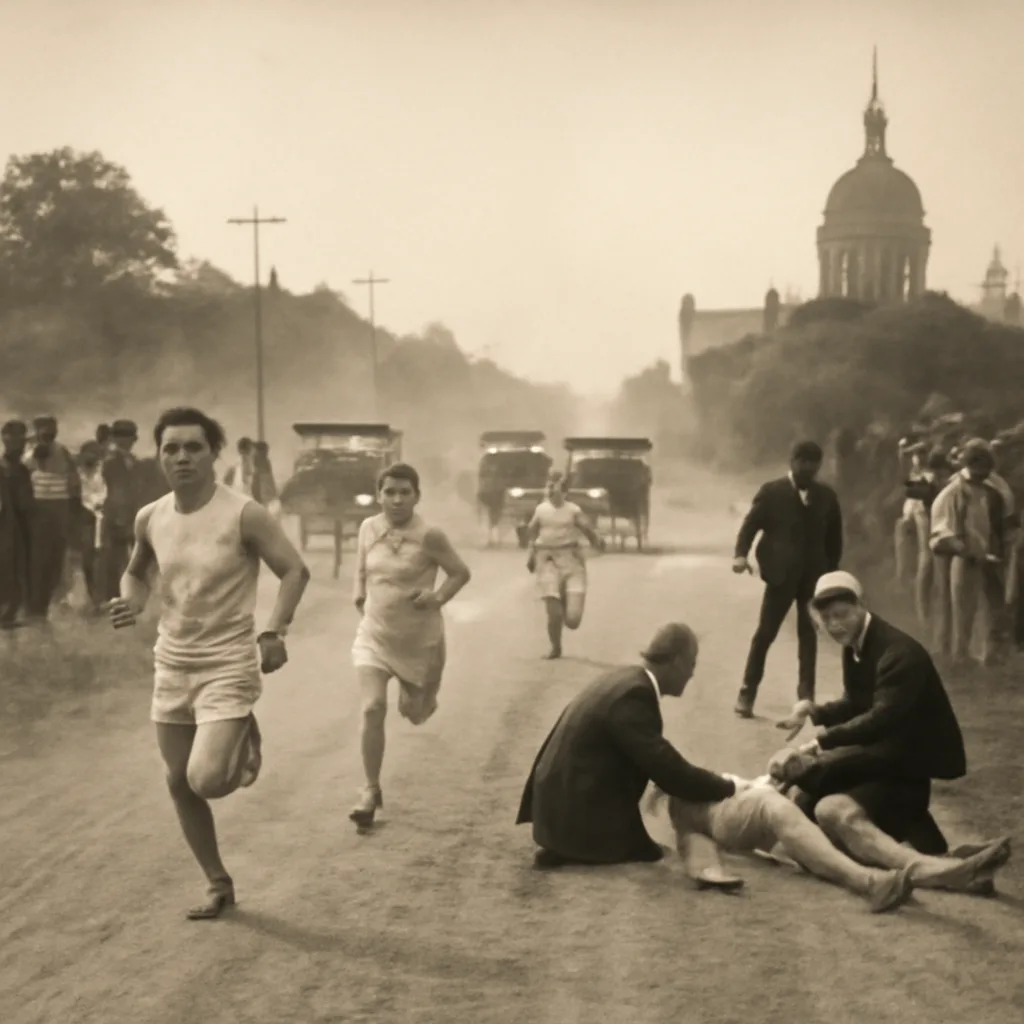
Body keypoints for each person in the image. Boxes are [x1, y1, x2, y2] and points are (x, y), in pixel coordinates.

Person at [108, 406, 310, 920]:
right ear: (159, 455)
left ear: (214, 454)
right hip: (172, 662)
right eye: (170, 448)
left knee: (208, 780)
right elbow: (136, 572)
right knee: (177, 781)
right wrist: (131, 599)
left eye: (193, 447)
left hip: (227, 663)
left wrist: (273, 630)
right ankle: (218, 882)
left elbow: (293, 570)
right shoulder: (151, 516)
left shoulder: (244, 514)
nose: (181, 457)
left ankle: (242, 731)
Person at [775, 571, 1012, 894]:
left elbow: (880, 718)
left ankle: (939, 872)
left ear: (862, 605)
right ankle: (938, 859)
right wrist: (815, 711)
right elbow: (857, 701)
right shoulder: (857, 644)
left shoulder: (899, 652)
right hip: (883, 760)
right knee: (801, 803)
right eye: (827, 618)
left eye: (842, 614)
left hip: (906, 768)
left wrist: (819, 743)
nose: (835, 625)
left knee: (830, 810)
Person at [647, 749, 1009, 912]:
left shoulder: (703, 790)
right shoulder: (683, 805)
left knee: (834, 816)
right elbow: (692, 843)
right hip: (756, 811)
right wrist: (708, 871)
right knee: (777, 807)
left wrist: (779, 777)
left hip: (764, 814)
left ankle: (946, 870)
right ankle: (873, 883)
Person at [516, 623, 740, 868]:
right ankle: (575, 845)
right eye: (692, 663)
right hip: (571, 818)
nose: (692, 674)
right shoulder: (635, 696)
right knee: (655, 856)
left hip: (553, 811)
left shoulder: (626, 678)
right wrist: (730, 787)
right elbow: (670, 772)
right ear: (676, 661)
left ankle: (565, 843)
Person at [350, 462, 472, 826]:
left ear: (417, 496)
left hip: (420, 640)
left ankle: (424, 694)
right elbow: (361, 571)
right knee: (372, 708)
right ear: (379, 494)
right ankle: (369, 789)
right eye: (389, 491)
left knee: (416, 712)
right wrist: (360, 598)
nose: (397, 499)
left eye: (405, 492)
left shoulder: (430, 535)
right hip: (374, 636)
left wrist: (436, 597)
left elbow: (460, 573)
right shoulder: (367, 528)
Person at [732, 439, 843, 718]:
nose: (807, 467)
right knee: (765, 634)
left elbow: (835, 541)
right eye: (802, 460)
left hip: (813, 580)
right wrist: (740, 555)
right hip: (780, 577)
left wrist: (830, 575)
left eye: (813, 462)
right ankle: (747, 692)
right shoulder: (772, 492)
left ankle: (806, 698)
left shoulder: (827, 497)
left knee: (809, 636)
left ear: (819, 466)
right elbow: (750, 525)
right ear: (791, 462)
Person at [929, 438, 1008, 666]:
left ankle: (987, 655)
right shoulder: (953, 493)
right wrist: (963, 550)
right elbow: (941, 532)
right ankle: (960, 656)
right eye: (980, 466)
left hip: (989, 558)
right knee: (962, 609)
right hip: (964, 559)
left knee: (989, 609)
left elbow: (998, 525)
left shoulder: (990, 491)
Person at [525, 469, 605, 659]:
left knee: (572, 620)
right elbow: (532, 532)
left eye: (557, 486)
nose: (552, 490)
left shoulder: (573, 510)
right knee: (554, 612)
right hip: (547, 560)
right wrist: (531, 554)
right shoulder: (541, 510)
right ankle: (555, 647)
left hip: (571, 561)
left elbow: (586, 528)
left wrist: (596, 540)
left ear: (565, 491)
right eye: (550, 486)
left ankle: (567, 598)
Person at [23, 415, 81, 620]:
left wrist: (72, 508)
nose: (48, 433)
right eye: (44, 429)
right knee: (36, 560)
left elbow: (73, 481)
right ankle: (34, 608)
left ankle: (44, 605)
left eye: (51, 429)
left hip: (59, 510)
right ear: (37, 430)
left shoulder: (63, 452)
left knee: (55, 560)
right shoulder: (27, 452)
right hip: (37, 511)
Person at [101, 419, 142, 602]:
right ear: (114, 438)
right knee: (114, 557)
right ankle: (112, 596)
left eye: (129, 436)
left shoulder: (134, 461)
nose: (126, 440)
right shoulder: (109, 462)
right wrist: (118, 514)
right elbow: (111, 489)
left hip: (133, 512)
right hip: (115, 514)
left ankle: (130, 593)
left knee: (134, 556)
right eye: (120, 436)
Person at [0, 421, 33, 629]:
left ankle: (9, 614)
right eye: (13, 439)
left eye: (21, 440)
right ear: (4, 439)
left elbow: (26, 500)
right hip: (4, 525)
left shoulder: (21, 470)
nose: (18, 445)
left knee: (16, 567)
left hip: (20, 526)